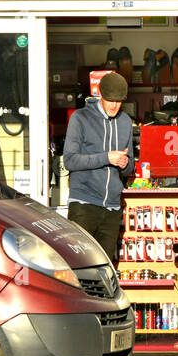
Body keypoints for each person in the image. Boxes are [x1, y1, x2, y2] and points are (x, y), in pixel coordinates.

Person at [64, 71, 134, 265]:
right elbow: (69, 160)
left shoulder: (126, 122)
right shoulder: (81, 118)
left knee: (105, 270)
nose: (114, 105)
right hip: (84, 204)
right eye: (110, 100)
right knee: (80, 268)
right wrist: (106, 158)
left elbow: (130, 168)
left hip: (112, 208)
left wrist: (125, 164)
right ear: (100, 95)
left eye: (119, 101)